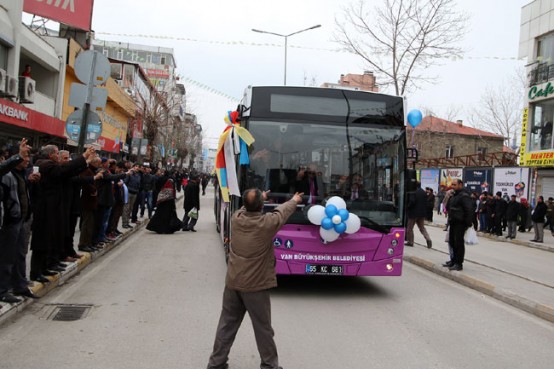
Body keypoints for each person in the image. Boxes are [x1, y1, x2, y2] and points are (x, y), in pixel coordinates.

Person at [206, 189, 303, 369]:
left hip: (233, 282)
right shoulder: (265, 224)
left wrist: (258, 199)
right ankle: (269, 365)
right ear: (261, 206)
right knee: (263, 328)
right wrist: (294, 200)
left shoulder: (236, 218)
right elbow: (282, 212)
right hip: (256, 287)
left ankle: (216, 363)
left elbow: (246, 207)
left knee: (226, 324)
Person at [445, 179, 473, 271]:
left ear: (460, 185)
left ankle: (458, 263)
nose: (453, 186)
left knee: (458, 243)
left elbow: (469, 210)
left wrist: (467, 224)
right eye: (452, 184)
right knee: (452, 242)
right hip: (453, 222)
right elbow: (449, 207)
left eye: (454, 184)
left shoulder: (464, 196)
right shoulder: (454, 195)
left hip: (460, 223)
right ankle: (453, 260)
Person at [405, 181, 432, 248]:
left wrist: (407, 207)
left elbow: (412, 202)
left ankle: (410, 242)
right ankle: (428, 239)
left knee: (409, 228)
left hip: (413, 213)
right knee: (422, 228)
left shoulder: (413, 192)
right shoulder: (423, 192)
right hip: (422, 214)